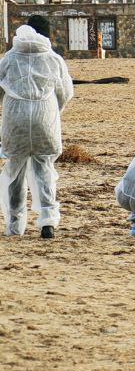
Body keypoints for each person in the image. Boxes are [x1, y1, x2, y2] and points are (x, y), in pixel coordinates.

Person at [0, 17, 74, 238]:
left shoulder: (10, 58)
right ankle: (47, 223)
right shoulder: (53, 59)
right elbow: (65, 92)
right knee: (44, 170)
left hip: (16, 119)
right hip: (45, 118)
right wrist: (53, 111)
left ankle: (15, 226)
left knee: (15, 171)